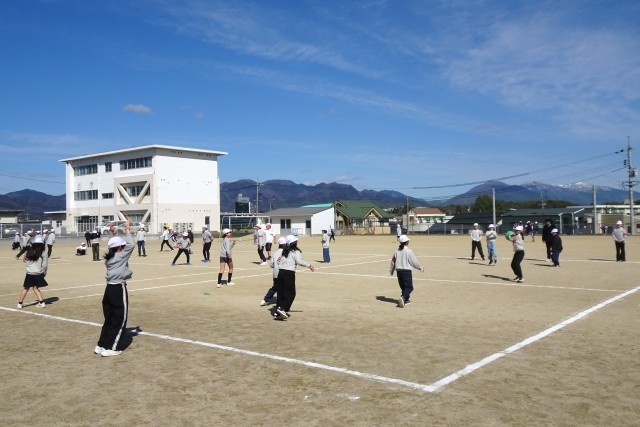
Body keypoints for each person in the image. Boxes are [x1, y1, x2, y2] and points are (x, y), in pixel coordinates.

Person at [95, 221, 134, 357]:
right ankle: (111, 348)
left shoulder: (110, 257)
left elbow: (112, 245)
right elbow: (131, 245)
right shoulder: (121, 256)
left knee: (109, 319)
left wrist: (112, 232)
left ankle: (101, 345)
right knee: (120, 319)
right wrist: (127, 228)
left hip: (109, 289)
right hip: (118, 288)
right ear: (120, 247)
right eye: (122, 246)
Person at [273, 235, 314, 320]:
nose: (297, 242)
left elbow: (278, 261)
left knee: (281, 293)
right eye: (296, 241)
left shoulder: (284, 250)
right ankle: (284, 309)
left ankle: (277, 311)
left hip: (280, 273)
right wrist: (309, 265)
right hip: (289, 273)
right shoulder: (295, 251)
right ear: (293, 243)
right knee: (291, 293)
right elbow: (299, 261)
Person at [389, 235, 424, 308]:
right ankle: (403, 297)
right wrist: (420, 267)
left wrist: (391, 270)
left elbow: (393, 262)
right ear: (407, 242)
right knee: (409, 287)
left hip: (399, 272)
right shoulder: (408, 251)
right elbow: (413, 261)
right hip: (406, 272)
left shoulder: (396, 251)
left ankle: (406, 299)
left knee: (403, 287)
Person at [17, 235, 48, 309]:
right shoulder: (44, 253)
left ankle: (20, 304)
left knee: (26, 288)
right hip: (38, 273)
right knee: (36, 288)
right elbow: (44, 265)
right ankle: (42, 303)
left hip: (30, 273)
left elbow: (25, 261)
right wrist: (44, 273)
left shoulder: (29, 252)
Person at [261, 237, 287, 306]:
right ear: (284, 244)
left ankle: (265, 300)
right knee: (285, 288)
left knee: (275, 287)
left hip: (275, 274)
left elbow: (271, 265)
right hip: (283, 273)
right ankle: (282, 302)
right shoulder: (286, 253)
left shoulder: (275, 253)